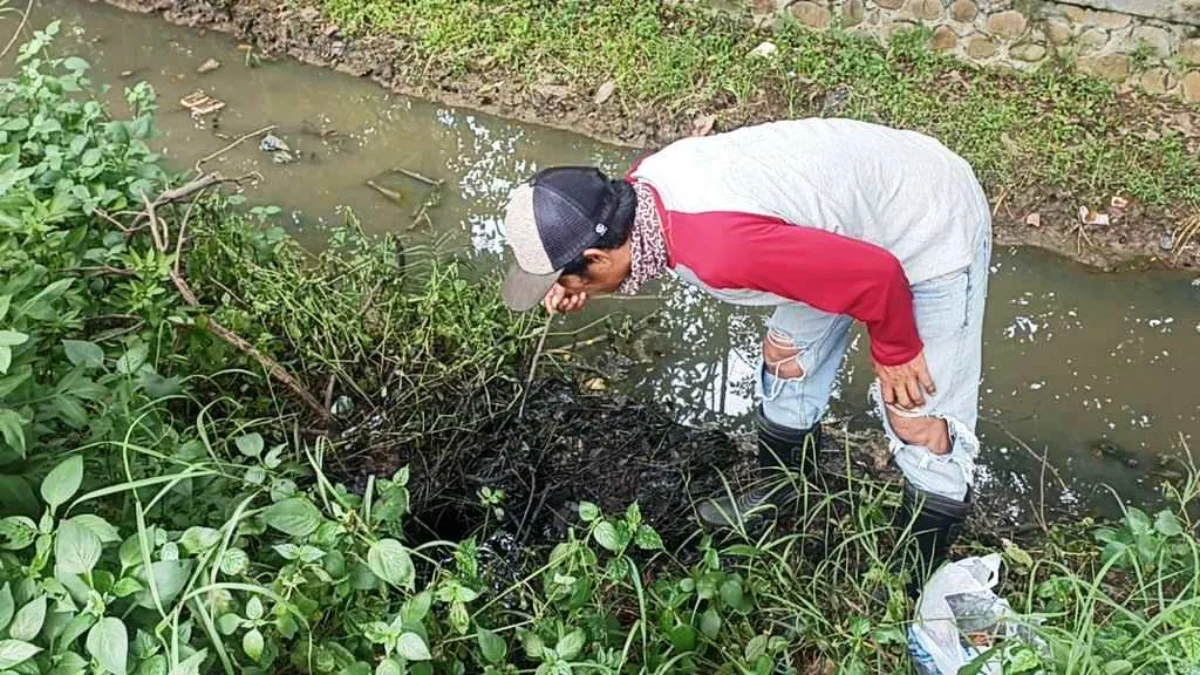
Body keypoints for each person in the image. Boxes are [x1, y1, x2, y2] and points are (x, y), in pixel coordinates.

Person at [498, 118, 991, 565]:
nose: (563, 289)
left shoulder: (720, 250)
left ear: (596, 257)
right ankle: (785, 496)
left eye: (565, 277)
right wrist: (575, 284)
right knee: (786, 361)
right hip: (836, 227)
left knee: (918, 419)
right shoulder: (640, 191)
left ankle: (913, 575)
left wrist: (897, 351)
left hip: (925, 221)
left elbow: (878, 275)